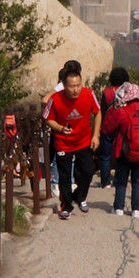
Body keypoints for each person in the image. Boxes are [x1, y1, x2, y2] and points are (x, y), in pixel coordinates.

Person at [43, 59, 102, 218]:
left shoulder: (88, 94)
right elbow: (47, 118)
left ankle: (80, 197)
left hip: (83, 141)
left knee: (88, 171)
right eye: (71, 86)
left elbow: (97, 112)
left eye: (78, 85)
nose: (75, 90)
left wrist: (96, 135)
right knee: (64, 177)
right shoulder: (56, 99)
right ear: (64, 85)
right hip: (63, 143)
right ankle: (66, 205)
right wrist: (60, 128)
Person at [104, 82, 139, 217]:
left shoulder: (122, 111)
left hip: (124, 150)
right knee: (138, 180)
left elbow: (109, 128)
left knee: (121, 179)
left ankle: (119, 208)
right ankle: (136, 210)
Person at [96, 67, 129, 191]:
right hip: (123, 127)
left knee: (105, 155)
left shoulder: (106, 92)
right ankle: (118, 180)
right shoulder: (128, 92)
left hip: (108, 126)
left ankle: (105, 181)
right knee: (121, 154)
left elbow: (103, 111)